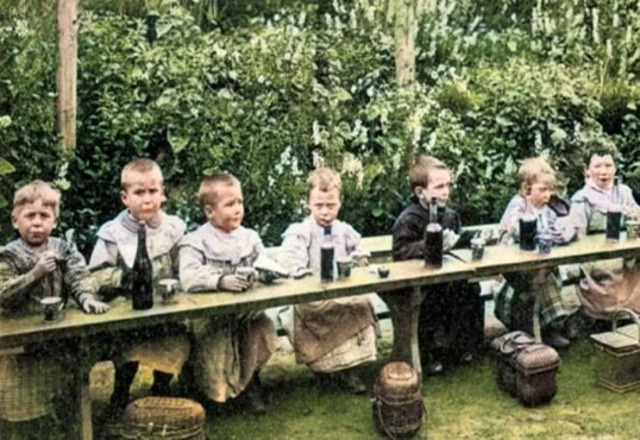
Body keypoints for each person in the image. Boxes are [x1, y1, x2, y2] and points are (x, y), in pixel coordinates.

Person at [0, 180, 108, 432]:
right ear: (16, 221)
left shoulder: (62, 248)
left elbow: (78, 276)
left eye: (44, 216)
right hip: (22, 338)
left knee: (67, 383)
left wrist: (87, 298)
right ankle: (29, 426)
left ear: (55, 221)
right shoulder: (9, 254)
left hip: (57, 333)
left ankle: (71, 423)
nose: (37, 222)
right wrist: (33, 274)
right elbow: (3, 293)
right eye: (30, 216)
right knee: (23, 397)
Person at [88, 158, 190, 415]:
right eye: (139, 192)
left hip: (165, 307)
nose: (147, 199)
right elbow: (93, 277)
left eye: (153, 191)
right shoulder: (112, 234)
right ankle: (120, 392)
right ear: (125, 198)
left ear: (163, 194)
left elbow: (184, 266)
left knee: (176, 337)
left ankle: (162, 388)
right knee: (128, 346)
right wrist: (122, 277)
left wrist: (176, 282)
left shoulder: (173, 229)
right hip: (128, 309)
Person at [179, 172, 276, 415]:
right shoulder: (196, 241)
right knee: (215, 344)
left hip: (245, 311)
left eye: (240, 202)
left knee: (261, 327)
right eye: (230, 204)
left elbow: (264, 261)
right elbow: (188, 276)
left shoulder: (249, 237)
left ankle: (250, 380)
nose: (238, 209)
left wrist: (264, 273)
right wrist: (220, 280)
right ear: (210, 211)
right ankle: (206, 388)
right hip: (212, 315)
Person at [278, 167, 377, 394]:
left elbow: (359, 250)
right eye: (319, 205)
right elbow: (289, 260)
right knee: (320, 309)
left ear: (340, 202)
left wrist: (357, 258)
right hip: (313, 292)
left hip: (340, 289)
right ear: (308, 203)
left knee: (360, 303)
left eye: (330, 205)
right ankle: (326, 369)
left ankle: (351, 369)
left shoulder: (343, 230)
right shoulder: (301, 231)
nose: (325, 212)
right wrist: (301, 271)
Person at [392, 156, 484, 375]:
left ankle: (461, 347)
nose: (446, 191)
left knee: (470, 290)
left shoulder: (450, 216)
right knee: (431, 301)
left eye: (448, 185)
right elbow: (401, 252)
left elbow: (456, 244)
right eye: (439, 186)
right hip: (419, 282)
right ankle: (431, 352)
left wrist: (469, 241)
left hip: (447, 276)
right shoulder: (409, 219)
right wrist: (429, 245)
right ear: (420, 192)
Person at [495, 157, 576, 348]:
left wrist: (564, 233)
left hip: (540, 266)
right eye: (543, 190)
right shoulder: (518, 204)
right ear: (526, 189)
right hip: (513, 270)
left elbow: (556, 230)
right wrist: (538, 233)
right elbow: (515, 228)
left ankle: (548, 328)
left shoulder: (548, 212)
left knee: (546, 277)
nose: (548, 195)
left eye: (550, 190)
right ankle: (549, 326)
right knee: (541, 280)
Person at [569, 143, 640, 315]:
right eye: (597, 166)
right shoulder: (582, 199)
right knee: (612, 268)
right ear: (587, 170)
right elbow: (577, 238)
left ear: (615, 168)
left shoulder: (623, 192)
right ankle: (608, 311)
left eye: (608, 165)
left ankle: (632, 309)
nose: (604, 171)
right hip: (596, 258)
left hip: (625, 252)